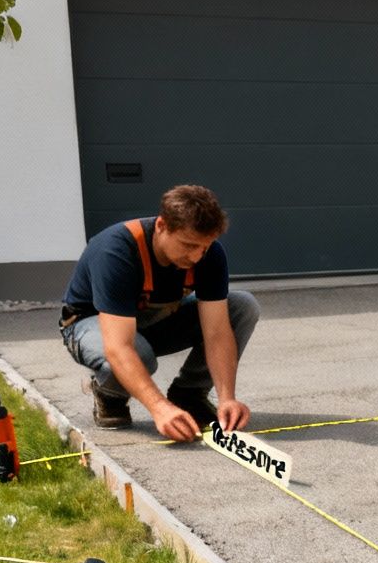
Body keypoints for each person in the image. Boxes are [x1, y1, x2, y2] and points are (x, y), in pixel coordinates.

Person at [59, 184, 259, 442]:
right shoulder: (115, 251)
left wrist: (227, 397)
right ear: (162, 226)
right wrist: (159, 407)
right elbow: (118, 347)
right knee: (137, 353)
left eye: (204, 247)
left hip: (152, 322)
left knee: (242, 306)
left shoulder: (209, 255)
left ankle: (189, 395)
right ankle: (110, 394)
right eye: (188, 245)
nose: (197, 256)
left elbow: (218, 332)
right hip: (88, 325)